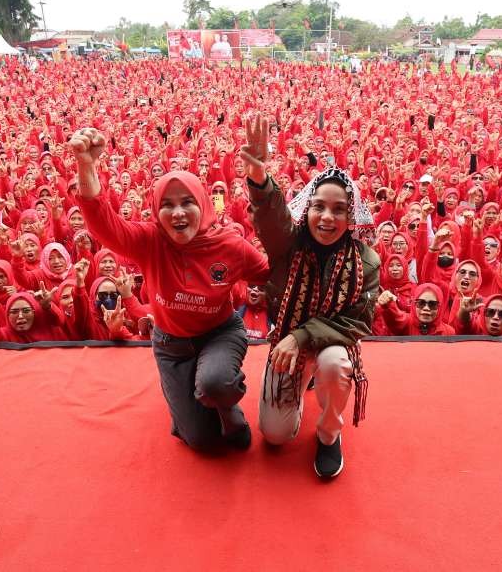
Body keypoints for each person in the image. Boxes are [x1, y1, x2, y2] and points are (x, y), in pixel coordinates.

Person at [69, 127, 269, 452]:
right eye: (168, 204)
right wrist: (86, 166)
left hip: (219, 334)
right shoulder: (150, 242)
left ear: (203, 204)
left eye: (187, 202)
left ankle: (229, 410)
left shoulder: (231, 246)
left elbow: (272, 275)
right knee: (202, 443)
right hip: (171, 345)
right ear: (156, 211)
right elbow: (103, 223)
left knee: (216, 384)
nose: (178, 213)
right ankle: (192, 406)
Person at [242, 115, 380, 479]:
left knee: (335, 364)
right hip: (287, 345)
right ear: (308, 208)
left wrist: (301, 336)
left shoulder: (366, 261)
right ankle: (303, 385)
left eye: (338, 209)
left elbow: (357, 322)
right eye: (319, 206)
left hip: (324, 344)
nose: (327, 217)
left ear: (351, 216)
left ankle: (329, 434)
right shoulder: (289, 243)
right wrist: (259, 178)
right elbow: (271, 219)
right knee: (274, 436)